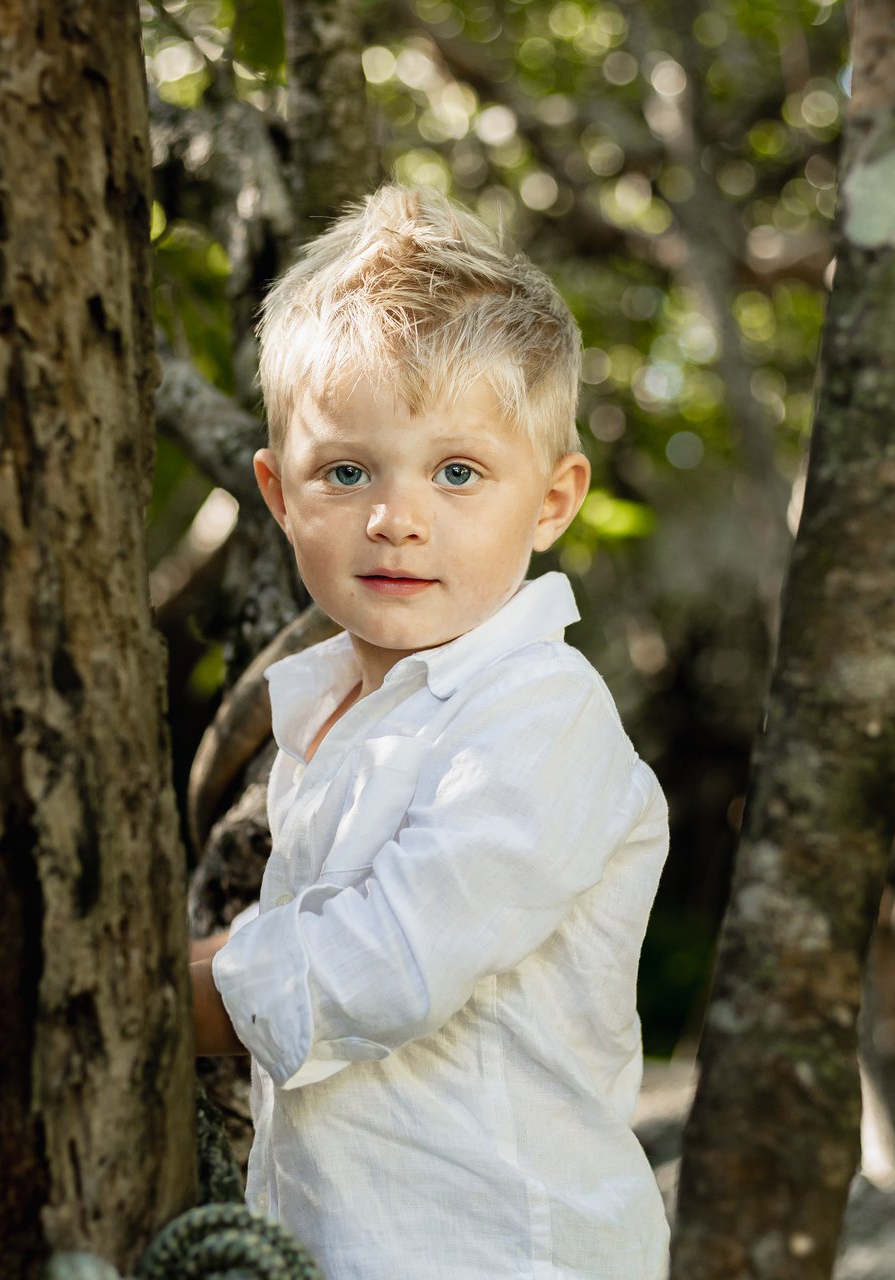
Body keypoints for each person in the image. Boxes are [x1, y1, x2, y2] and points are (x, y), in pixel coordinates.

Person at [186, 183, 671, 1279]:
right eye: (345, 470)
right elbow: (309, 939)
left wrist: (150, 999)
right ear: (279, 492)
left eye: (458, 472)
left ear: (553, 500)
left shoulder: (539, 713)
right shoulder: (333, 709)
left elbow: (384, 966)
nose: (396, 517)